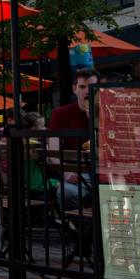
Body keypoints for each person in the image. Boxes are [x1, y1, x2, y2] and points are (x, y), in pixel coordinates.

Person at [48, 68, 99, 203]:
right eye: (82, 87)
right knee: (66, 193)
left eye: (92, 87)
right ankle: (76, 224)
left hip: (105, 172)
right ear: (74, 89)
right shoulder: (60, 113)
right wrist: (65, 172)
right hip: (77, 173)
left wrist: (95, 121)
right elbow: (53, 149)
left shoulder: (109, 112)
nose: (87, 91)